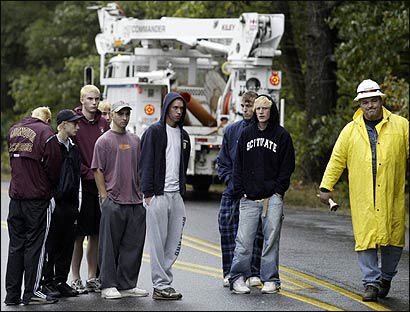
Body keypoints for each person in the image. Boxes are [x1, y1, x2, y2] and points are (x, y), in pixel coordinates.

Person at [319, 79, 409, 302]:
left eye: (374, 101)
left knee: (394, 240)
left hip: (391, 193)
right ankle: (370, 282)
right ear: (359, 105)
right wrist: (326, 186)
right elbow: (337, 160)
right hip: (364, 196)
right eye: (365, 102)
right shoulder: (350, 131)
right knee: (366, 238)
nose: (370, 105)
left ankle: (385, 278)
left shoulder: (401, 125)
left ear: (381, 100)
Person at [229, 94, 295, 295]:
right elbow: (237, 164)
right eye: (258, 109)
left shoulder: (282, 136)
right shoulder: (247, 134)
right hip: (248, 198)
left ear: (271, 110)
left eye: (265, 108)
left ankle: (270, 279)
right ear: (254, 112)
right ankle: (238, 277)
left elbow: (287, 166)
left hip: (272, 198)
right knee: (244, 241)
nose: (261, 112)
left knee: (271, 240)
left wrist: (278, 191)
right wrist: (240, 190)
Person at [5, 106, 62, 305]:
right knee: (35, 248)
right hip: (37, 199)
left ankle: (11, 294)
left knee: (15, 247)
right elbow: (54, 166)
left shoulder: (13, 130)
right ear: (47, 120)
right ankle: (32, 291)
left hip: (16, 198)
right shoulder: (46, 133)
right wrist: (49, 188)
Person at [92, 101, 148, 300]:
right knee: (109, 246)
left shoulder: (135, 140)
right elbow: (97, 169)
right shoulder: (103, 141)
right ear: (112, 116)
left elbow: (140, 169)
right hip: (113, 200)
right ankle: (108, 285)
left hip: (134, 201)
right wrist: (104, 197)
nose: (124, 117)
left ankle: (127, 284)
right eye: (120, 114)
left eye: (127, 114)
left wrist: (142, 194)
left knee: (133, 245)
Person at [139, 92, 191, 300]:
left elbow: (183, 165)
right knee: (158, 243)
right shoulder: (154, 132)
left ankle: (165, 282)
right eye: (174, 108)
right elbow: (145, 163)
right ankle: (160, 284)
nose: (178, 112)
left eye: (181, 108)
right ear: (166, 108)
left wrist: (181, 191)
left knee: (173, 241)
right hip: (157, 195)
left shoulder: (184, 135)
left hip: (176, 195)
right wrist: (148, 194)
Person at [216, 91, 264, 288]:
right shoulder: (232, 130)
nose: (245, 109)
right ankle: (229, 272)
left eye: (250, 105)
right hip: (233, 190)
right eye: (243, 106)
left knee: (256, 233)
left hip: (256, 191)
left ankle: (253, 272)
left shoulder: (264, 131)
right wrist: (230, 181)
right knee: (228, 229)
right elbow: (223, 161)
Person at [70, 85, 110, 294]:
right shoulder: (75, 121)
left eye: (97, 99)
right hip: (82, 187)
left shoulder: (104, 122)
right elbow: (72, 155)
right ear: (82, 100)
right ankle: (75, 277)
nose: (94, 103)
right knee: (79, 235)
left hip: (101, 187)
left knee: (96, 234)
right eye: (90, 99)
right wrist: (89, 174)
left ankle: (92, 276)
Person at [41, 110, 83, 298]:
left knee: (67, 244)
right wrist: (49, 199)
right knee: (52, 244)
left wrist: (78, 203)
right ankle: (47, 281)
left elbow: (77, 177)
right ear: (63, 124)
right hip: (55, 202)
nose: (77, 127)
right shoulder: (51, 145)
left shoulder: (74, 148)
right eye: (74, 123)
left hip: (71, 204)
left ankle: (60, 280)